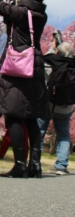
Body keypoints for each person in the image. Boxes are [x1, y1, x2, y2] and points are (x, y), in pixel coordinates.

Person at [0, 0, 49, 178]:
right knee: (31, 116)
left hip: (17, 66)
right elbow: (16, 13)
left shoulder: (21, 13)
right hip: (35, 66)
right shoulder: (39, 14)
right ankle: (35, 165)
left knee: (13, 114)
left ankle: (20, 165)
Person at [38, 41, 74, 175]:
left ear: (58, 52)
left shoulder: (51, 63)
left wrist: (53, 47)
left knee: (40, 134)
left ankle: (36, 163)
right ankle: (61, 166)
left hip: (47, 104)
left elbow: (43, 62)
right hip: (65, 107)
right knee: (63, 135)